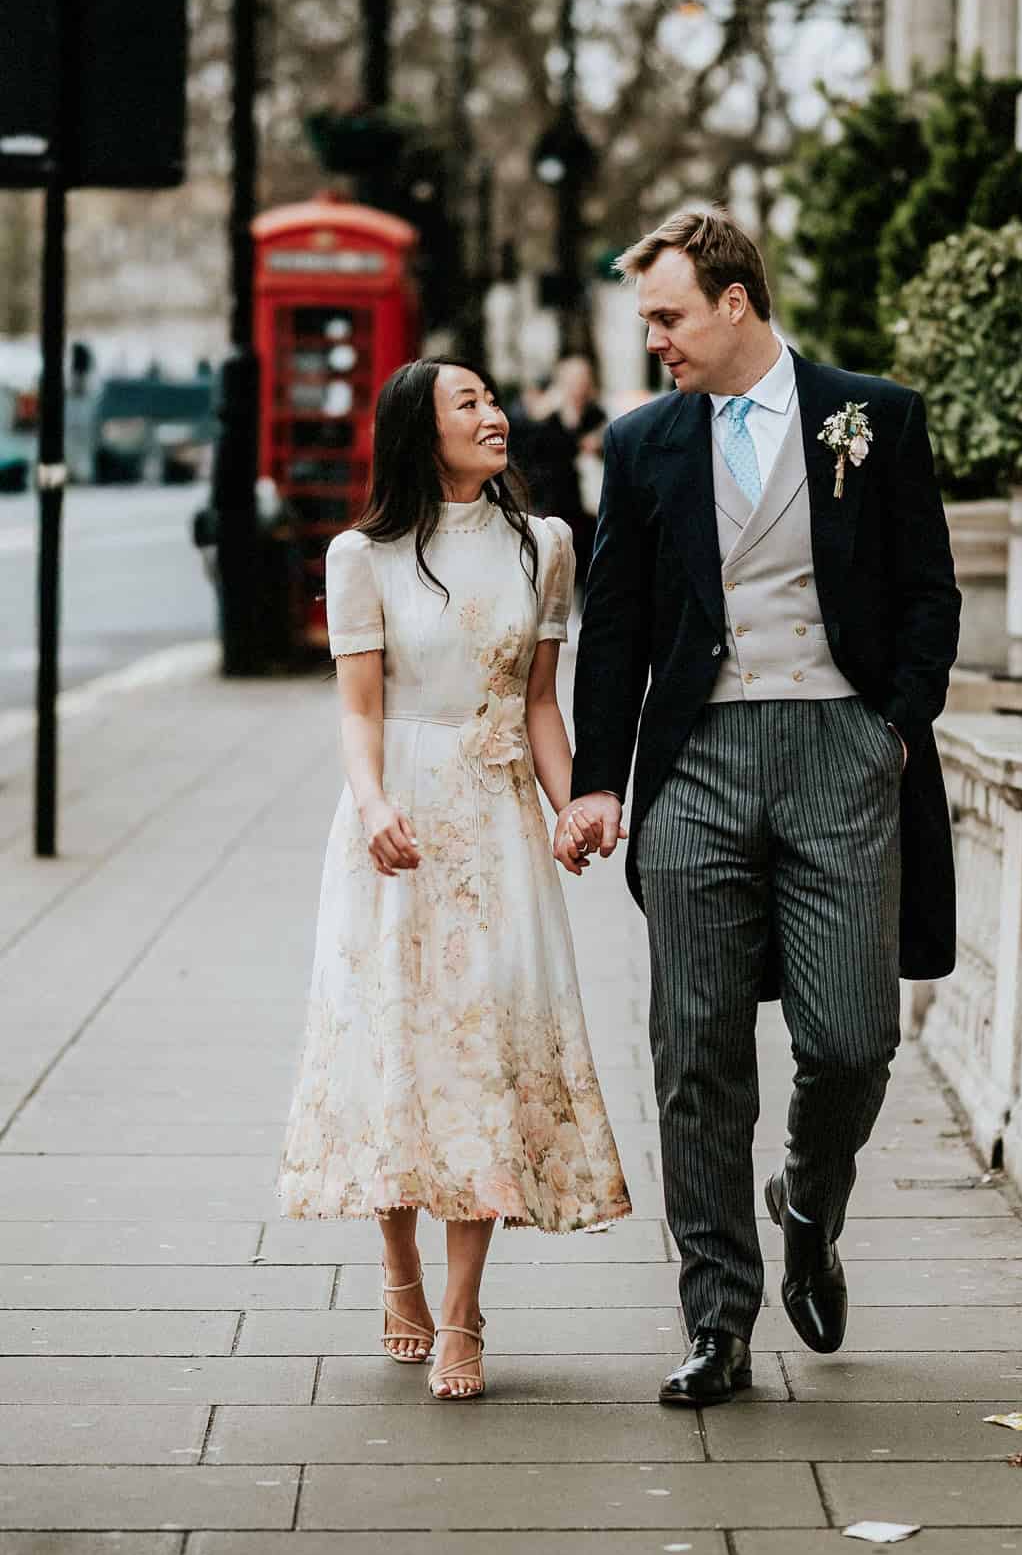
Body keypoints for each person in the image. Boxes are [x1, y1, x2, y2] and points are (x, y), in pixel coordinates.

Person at [553, 206, 960, 1408]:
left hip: (841, 749)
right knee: (696, 1050)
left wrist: (891, 723)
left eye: (668, 318)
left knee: (850, 1039)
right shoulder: (643, 444)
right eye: (646, 323)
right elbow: (615, 620)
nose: (655, 344)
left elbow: (928, 588)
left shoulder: (873, 416)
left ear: (736, 302)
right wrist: (597, 778)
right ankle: (717, 1320)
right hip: (699, 763)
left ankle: (808, 1196)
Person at [278, 357, 632, 1401]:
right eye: (465, 403)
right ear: (415, 432)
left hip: (497, 816)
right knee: (399, 1038)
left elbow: (538, 707)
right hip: (397, 816)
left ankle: (467, 1310)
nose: (493, 415)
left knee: (483, 1045)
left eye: (491, 399)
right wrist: (376, 799)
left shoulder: (546, 545)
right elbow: (357, 709)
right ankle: (399, 1273)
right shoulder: (363, 554)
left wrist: (572, 802)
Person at [508, 354, 608, 584]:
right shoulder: (547, 415)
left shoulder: (596, 415)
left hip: (588, 506)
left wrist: (597, 445)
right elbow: (526, 453)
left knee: (587, 567)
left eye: (582, 378)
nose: (578, 385)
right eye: (573, 379)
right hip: (553, 503)